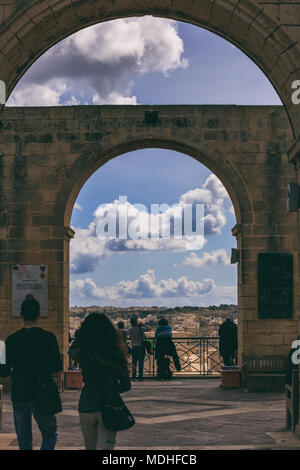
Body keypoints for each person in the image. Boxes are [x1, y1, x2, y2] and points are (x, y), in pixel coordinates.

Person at [0, 297, 63, 450]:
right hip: (42, 391)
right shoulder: (49, 338)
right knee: (49, 434)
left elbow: (4, 371)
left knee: (23, 438)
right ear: (39, 314)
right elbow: (57, 367)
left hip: (20, 391)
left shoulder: (12, 340)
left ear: (21, 314)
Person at [68, 313, 131, 450]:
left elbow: (72, 351)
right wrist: (111, 389)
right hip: (108, 403)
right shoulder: (115, 352)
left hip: (86, 403)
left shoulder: (83, 352)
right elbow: (126, 385)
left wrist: (82, 333)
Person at [127, 316, 151, 381]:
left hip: (134, 347)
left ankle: (134, 377)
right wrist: (143, 324)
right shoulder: (141, 328)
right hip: (141, 347)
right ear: (137, 322)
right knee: (141, 362)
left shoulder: (130, 330)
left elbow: (128, 337)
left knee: (134, 362)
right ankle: (140, 377)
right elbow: (149, 328)